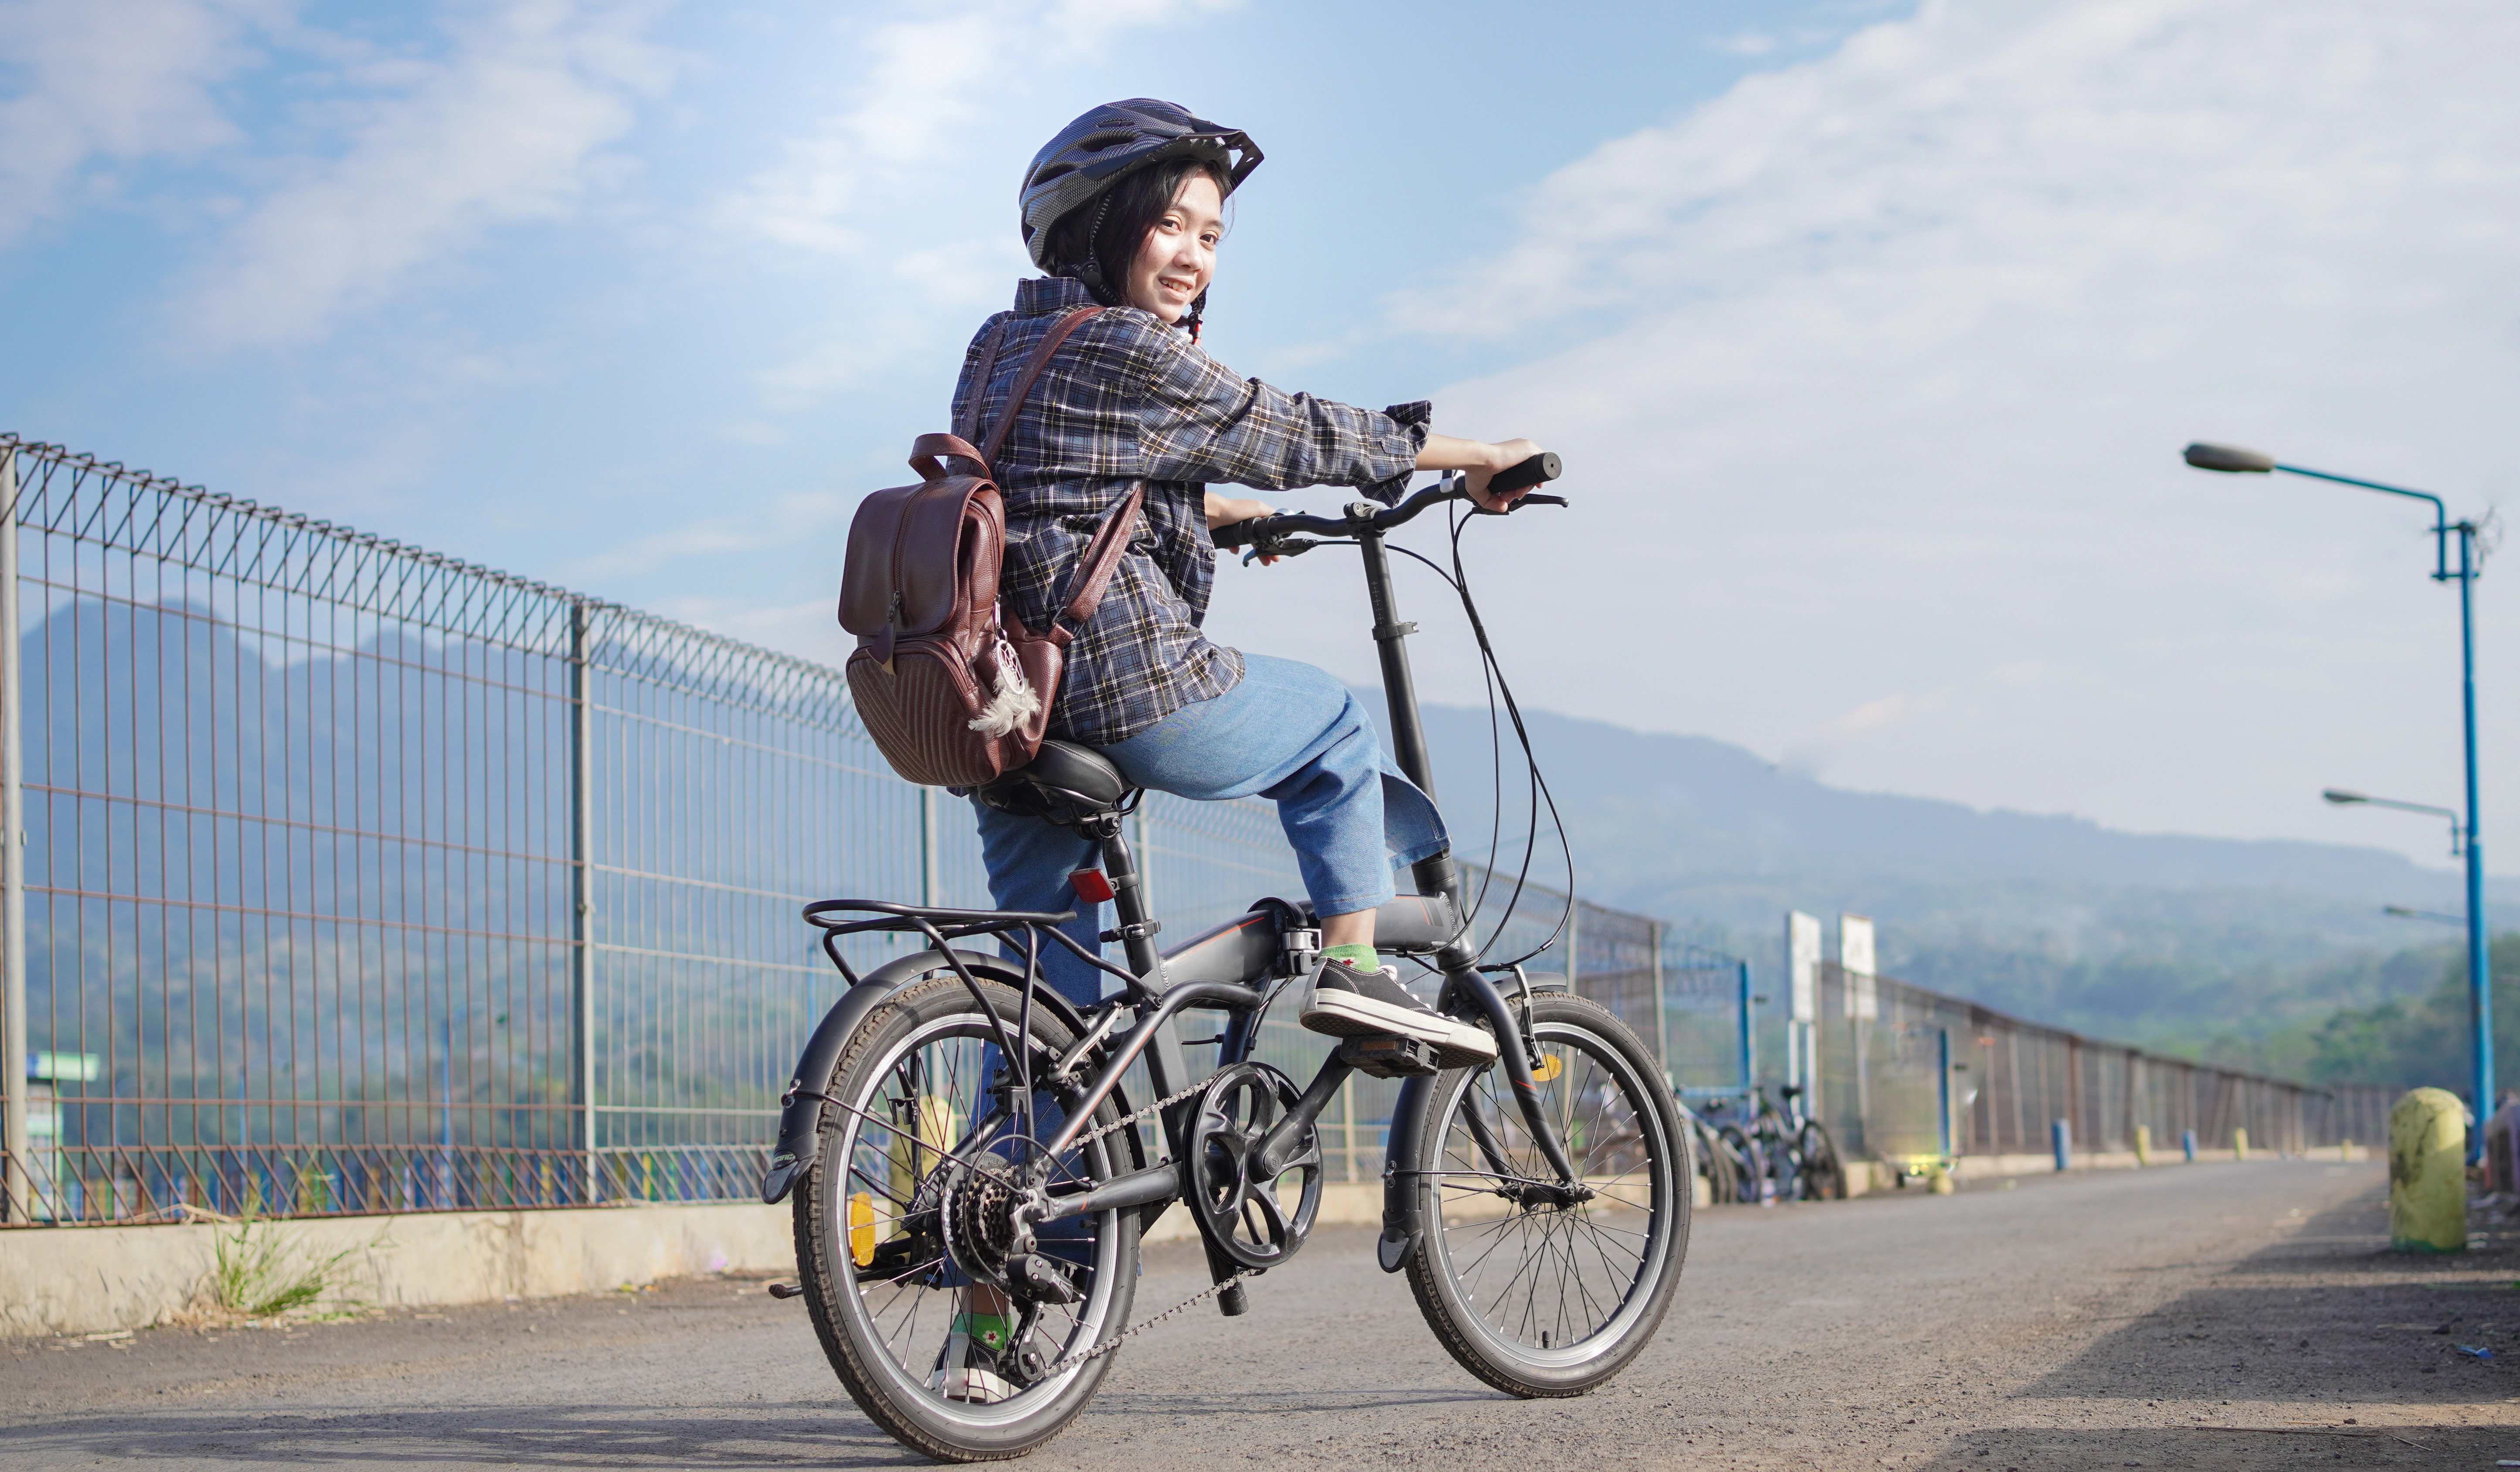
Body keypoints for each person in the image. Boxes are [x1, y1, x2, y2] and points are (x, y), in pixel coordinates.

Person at [964, 99, 1544, 1070]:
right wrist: (1475, 455)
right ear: (1105, 229)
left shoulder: (1005, 345)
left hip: (1002, 701)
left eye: (1211, 235)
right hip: (1118, 684)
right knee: (1332, 724)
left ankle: (1027, 1209)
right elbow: (1288, 430)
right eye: (1169, 226)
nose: (1193, 256)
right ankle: (1354, 967)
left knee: (1042, 998)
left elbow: (1055, 489)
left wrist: (1214, 513)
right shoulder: (1123, 347)